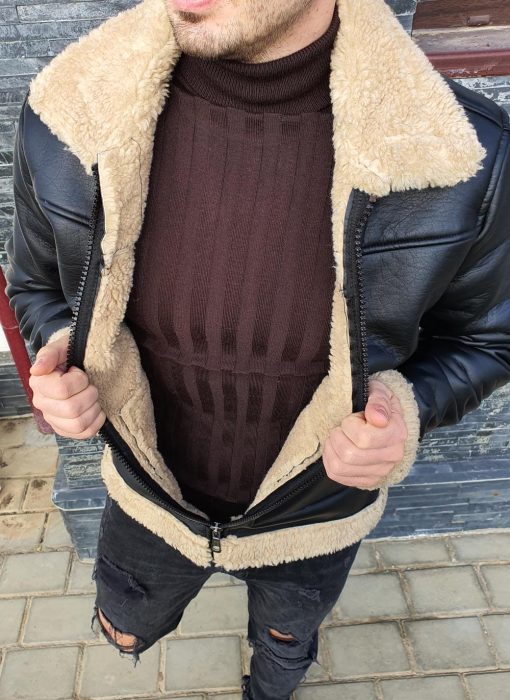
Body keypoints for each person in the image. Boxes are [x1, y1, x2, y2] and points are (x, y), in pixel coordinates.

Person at [4, 0, 510, 697]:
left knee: (283, 650)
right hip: (149, 504)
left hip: (316, 518)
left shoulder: (464, 150)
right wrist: (66, 351)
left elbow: (486, 337)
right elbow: (35, 285)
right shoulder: (68, 111)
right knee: (123, 625)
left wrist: (408, 406)